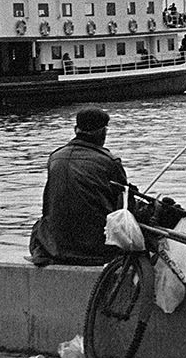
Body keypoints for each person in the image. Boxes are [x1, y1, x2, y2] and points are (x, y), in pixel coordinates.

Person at [29, 106, 128, 266]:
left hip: (55, 247)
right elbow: (124, 208)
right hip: (96, 249)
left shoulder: (55, 158)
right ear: (103, 133)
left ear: (76, 129)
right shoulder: (110, 162)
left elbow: (48, 206)